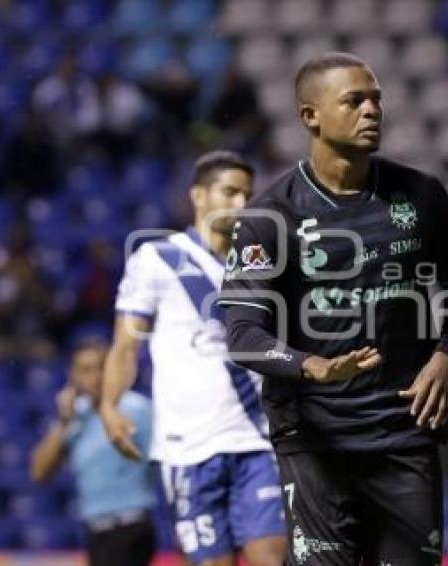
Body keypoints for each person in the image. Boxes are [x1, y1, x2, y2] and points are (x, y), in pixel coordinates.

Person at [218, 52, 448, 565]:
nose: (371, 112)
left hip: (403, 432)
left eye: (376, 100)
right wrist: (310, 366)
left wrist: (447, 355)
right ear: (310, 116)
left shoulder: (421, 196)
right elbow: (242, 333)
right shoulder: (272, 216)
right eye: (354, 101)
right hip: (315, 442)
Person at [99, 151, 287, 566]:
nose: (241, 204)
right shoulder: (157, 260)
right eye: (230, 192)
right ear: (198, 196)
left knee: (270, 559)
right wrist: (109, 404)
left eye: (247, 195)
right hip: (188, 447)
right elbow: (125, 345)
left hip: (255, 438)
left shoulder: (263, 268)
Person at [30, 339, 156, 566]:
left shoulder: (135, 409)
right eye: (85, 370)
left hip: (130, 526)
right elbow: (39, 473)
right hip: (94, 530)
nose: (95, 377)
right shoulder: (74, 416)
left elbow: (162, 460)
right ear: (73, 375)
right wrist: (62, 423)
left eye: (100, 367)